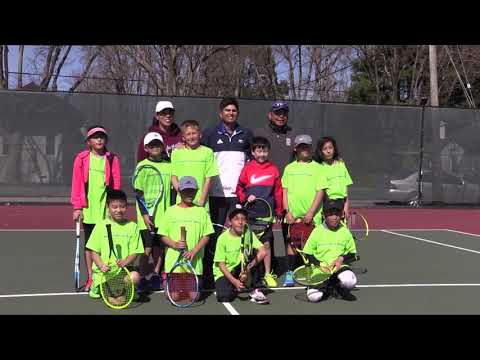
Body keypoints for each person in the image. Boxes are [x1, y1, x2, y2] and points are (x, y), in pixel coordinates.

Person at [201, 98, 253, 288]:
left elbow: (252, 160)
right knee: (213, 233)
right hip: (215, 195)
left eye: (234, 110)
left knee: (241, 233)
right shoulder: (209, 134)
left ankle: (242, 272)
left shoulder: (246, 134)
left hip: (238, 195)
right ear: (220, 113)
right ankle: (210, 273)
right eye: (227, 110)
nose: (231, 113)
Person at [71, 125, 121, 292]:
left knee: (107, 245)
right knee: (91, 245)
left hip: (106, 210)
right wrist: (77, 207)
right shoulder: (82, 158)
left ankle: (107, 276)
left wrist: (115, 206)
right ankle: (92, 278)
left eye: (102, 136)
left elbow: (116, 184)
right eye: (95, 137)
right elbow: (77, 183)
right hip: (88, 209)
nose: (99, 139)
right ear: (89, 141)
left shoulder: (112, 159)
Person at [254, 101, 298, 273]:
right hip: (265, 191)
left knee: (289, 230)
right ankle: (267, 266)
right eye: (277, 113)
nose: (281, 116)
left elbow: (304, 156)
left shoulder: (293, 134)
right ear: (270, 115)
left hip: (287, 191)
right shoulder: (259, 133)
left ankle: (292, 266)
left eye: (284, 113)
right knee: (266, 232)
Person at [235, 136, 283, 287]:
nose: (262, 154)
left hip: (266, 215)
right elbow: (239, 188)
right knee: (249, 246)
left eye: (264, 151)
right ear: (253, 152)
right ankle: (246, 272)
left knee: (267, 245)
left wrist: (279, 210)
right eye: (258, 151)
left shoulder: (273, 169)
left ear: (268, 152)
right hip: (250, 214)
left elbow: (278, 192)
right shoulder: (247, 168)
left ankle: (268, 274)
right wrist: (246, 197)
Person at [282, 134, 327, 287]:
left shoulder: (318, 168)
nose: (305, 149)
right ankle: (289, 273)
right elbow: (285, 191)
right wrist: (287, 211)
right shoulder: (289, 168)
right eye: (302, 146)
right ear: (296, 148)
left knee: (312, 246)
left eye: (307, 146)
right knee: (292, 245)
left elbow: (320, 191)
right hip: (293, 217)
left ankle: (313, 272)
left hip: (312, 217)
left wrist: (310, 213)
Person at [158, 176, 214, 291]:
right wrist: (174, 244)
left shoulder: (201, 211)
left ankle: (190, 283)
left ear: (196, 192)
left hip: (194, 263)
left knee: (193, 297)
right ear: (180, 192)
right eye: (186, 191)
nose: (189, 194)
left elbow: (206, 235)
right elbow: (163, 235)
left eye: (192, 191)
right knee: (175, 297)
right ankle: (167, 280)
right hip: (174, 263)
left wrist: (194, 251)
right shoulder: (170, 211)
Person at [85, 189, 143, 300]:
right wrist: (101, 265)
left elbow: (135, 252)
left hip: (123, 271)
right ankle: (96, 285)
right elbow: (94, 251)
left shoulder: (133, 226)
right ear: (108, 207)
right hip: (105, 272)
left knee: (135, 276)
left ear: (126, 206)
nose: (118, 210)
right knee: (110, 297)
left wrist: (126, 261)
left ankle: (128, 289)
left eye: (122, 206)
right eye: (114, 207)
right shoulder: (100, 226)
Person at [134, 132, 172, 292]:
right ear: (146, 148)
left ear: (163, 146)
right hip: (146, 217)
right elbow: (138, 192)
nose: (155, 147)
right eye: (152, 145)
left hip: (164, 216)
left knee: (158, 248)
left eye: (158, 144)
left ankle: (156, 275)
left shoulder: (169, 165)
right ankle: (142, 277)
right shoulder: (141, 166)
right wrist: (144, 214)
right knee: (146, 249)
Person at [302, 200, 358, 302]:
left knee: (350, 280)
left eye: (337, 213)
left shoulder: (345, 231)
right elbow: (307, 253)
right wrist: (320, 264)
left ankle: (337, 285)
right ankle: (327, 286)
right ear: (323, 215)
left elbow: (353, 254)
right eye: (330, 214)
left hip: (339, 267)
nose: (334, 217)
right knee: (314, 297)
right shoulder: (317, 231)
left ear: (341, 214)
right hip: (320, 269)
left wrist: (341, 259)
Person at [213, 205, 269, 304]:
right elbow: (221, 265)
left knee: (255, 257)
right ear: (230, 222)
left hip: (242, 268)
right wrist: (234, 281)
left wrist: (248, 268)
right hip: (226, 271)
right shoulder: (222, 238)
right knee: (223, 297)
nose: (240, 222)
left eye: (243, 219)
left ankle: (255, 288)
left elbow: (263, 251)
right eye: (236, 219)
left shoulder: (248, 233)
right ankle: (236, 287)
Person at [314, 136, 353, 219]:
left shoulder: (341, 164)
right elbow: (321, 191)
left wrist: (346, 207)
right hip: (328, 205)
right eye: (325, 149)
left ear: (334, 149)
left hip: (341, 204)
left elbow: (345, 189)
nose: (328, 151)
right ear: (320, 151)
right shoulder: (319, 167)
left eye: (330, 148)